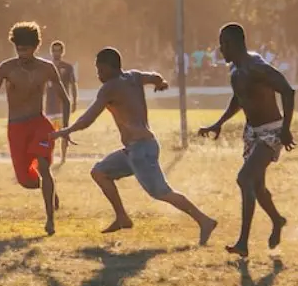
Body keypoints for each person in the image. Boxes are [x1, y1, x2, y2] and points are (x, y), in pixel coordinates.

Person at [51, 47, 217, 244]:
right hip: (135, 149)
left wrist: (65, 131)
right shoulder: (134, 77)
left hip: (141, 150)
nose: (98, 74)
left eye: (101, 70)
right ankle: (122, 217)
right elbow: (155, 77)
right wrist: (161, 82)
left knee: (161, 192)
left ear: (112, 68)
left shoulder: (109, 88)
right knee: (99, 172)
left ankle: (204, 221)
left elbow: (89, 118)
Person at [199, 23, 296, 258]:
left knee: (244, 179)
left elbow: (288, 90)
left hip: (272, 131)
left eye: (223, 44)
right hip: (252, 132)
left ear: (233, 44)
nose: (220, 49)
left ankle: (243, 243)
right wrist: (219, 123)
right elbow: (239, 98)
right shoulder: (236, 69)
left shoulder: (256, 67)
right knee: (257, 187)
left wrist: (285, 129)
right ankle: (277, 220)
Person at [0, 22, 70, 235]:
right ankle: (50, 192)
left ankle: (50, 220)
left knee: (44, 166)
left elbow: (65, 100)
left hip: (39, 124)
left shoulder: (46, 68)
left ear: (36, 46)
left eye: (26, 49)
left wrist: (66, 130)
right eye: (18, 49)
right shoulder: (7, 68)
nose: (22, 53)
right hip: (16, 127)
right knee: (26, 181)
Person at [48, 40, 78, 163]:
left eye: (58, 50)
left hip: (63, 104)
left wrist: (74, 101)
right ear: (51, 51)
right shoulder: (47, 66)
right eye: (54, 50)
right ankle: (48, 157)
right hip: (49, 104)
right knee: (49, 132)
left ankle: (63, 157)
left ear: (62, 51)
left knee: (64, 131)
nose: (56, 53)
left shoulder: (68, 67)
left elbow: (73, 84)